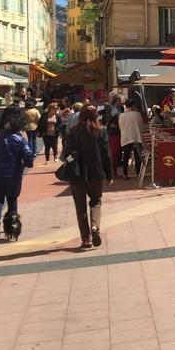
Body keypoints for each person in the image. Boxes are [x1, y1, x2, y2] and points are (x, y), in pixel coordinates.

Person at [0, 106, 34, 240]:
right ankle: (13, 225)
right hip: (14, 174)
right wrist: (27, 163)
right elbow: (28, 155)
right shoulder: (20, 139)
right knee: (12, 199)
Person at [64, 105, 112, 248]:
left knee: (80, 207)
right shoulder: (101, 132)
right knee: (96, 201)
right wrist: (109, 175)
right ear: (96, 116)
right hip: (95, 172)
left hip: (77, 174)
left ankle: (86, 239)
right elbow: (106, 155)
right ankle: (95, 227)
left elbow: (67, 153)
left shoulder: (73, 132)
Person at [118, 100, 144, 178]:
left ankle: (125, 174)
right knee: (137, 157)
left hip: (126, 137)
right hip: (136, 137)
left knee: (125, 157)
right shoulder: (137, 114)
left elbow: (120, 127)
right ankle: (138, 173)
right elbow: (141, 125)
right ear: (133, 106)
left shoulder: (121, 115)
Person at [103, 95, 123, 178]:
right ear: (117, 100)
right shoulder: (113, 108)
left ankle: (113, 172)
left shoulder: (113, 108)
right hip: (114, 134)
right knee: (114, 154)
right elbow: (112, 118)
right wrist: (114, 124)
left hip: (114, 133)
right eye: (121, 101)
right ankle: (113, 173)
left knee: (115, 153)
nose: (122, 103)